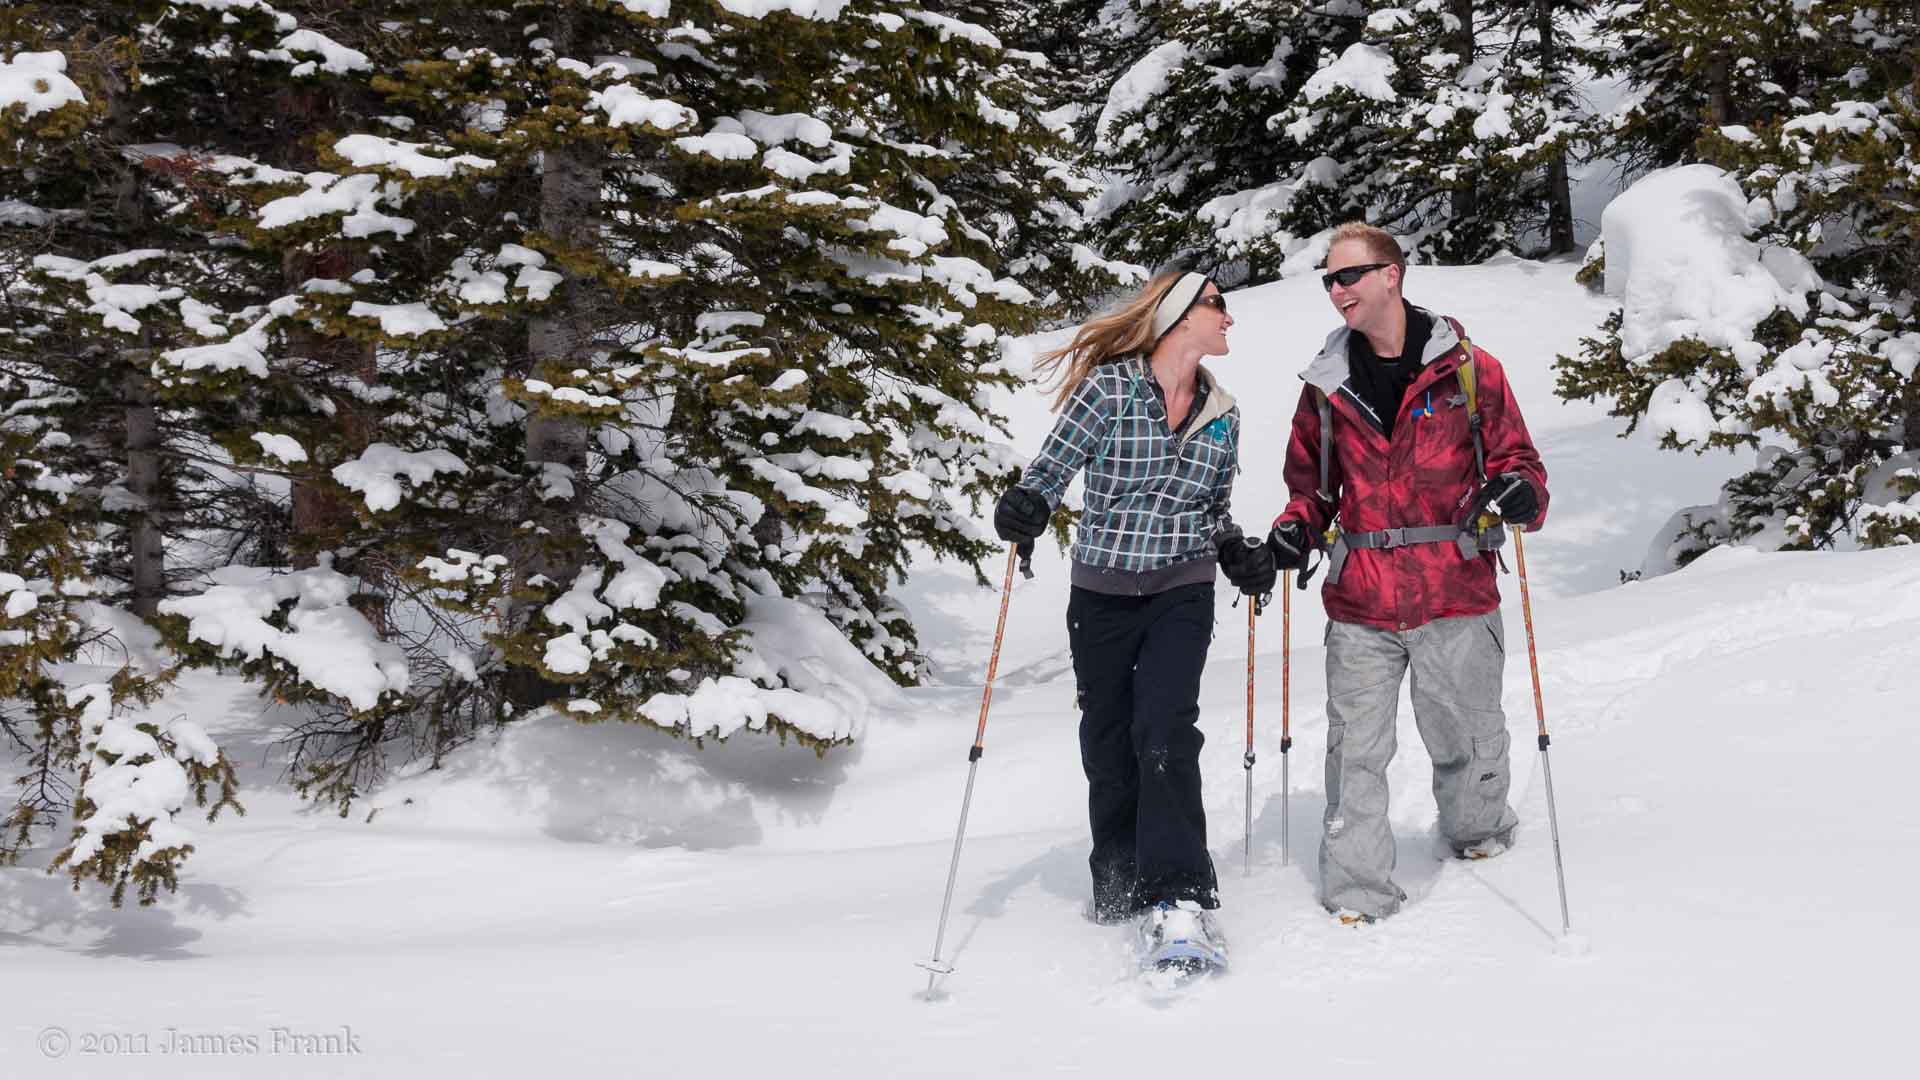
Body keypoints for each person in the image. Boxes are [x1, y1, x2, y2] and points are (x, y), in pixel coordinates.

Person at [1266, 222, 1549, 924]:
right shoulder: (1326, 387)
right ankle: (1357, 890)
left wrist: (1520, 493)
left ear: (1391, 274)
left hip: (1454, 588)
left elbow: (1521, 465)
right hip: (1361, 599)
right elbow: (1310, 488)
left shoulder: (1470, 371)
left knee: (1467, 733)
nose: (1337, 292)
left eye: (1348, 276)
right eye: (1329, 281)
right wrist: (1297, 525)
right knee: (1356, 753)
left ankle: (1479, 833)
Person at [992, 270, 1274, 960]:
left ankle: (1178, 894)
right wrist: (1026, 508)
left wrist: (1235, 550)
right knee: (1110, 743)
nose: (1229, 319)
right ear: (1180, 319)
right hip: (1104, 593)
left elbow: (1210, 510)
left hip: (1183, 587)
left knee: (1166, 728)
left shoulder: (1223, 411)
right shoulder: (1109, 389)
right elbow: (1050, 472)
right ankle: (1118, 881)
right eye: (1218, 306)